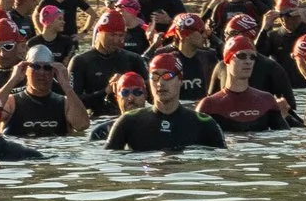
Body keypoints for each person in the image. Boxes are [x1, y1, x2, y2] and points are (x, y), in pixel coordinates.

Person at [95, 52, 229, 153]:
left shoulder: (204, 124)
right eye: (155, 77)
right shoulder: (128, 121)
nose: (160, 83)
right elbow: (111, 164)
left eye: (167, 76)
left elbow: (220, 165)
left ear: (180, 80)